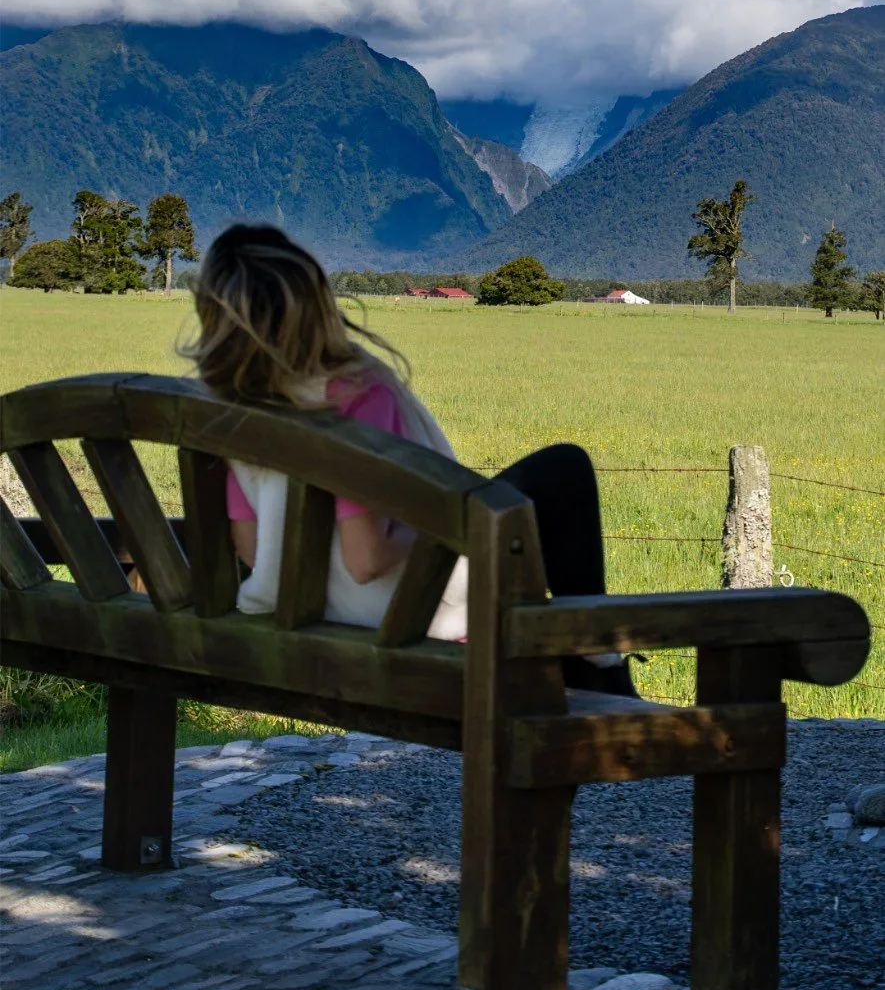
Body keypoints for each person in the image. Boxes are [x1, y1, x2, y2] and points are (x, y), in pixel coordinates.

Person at [184, 224, 635, 694]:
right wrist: (450, 524)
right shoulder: (356, 391)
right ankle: (603, 670)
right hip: (401, 617)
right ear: (315, 303)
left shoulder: (230, 409)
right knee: (563, 470)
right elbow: (367, 559)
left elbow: (252, 548)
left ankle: (594, 665)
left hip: (299, 613)